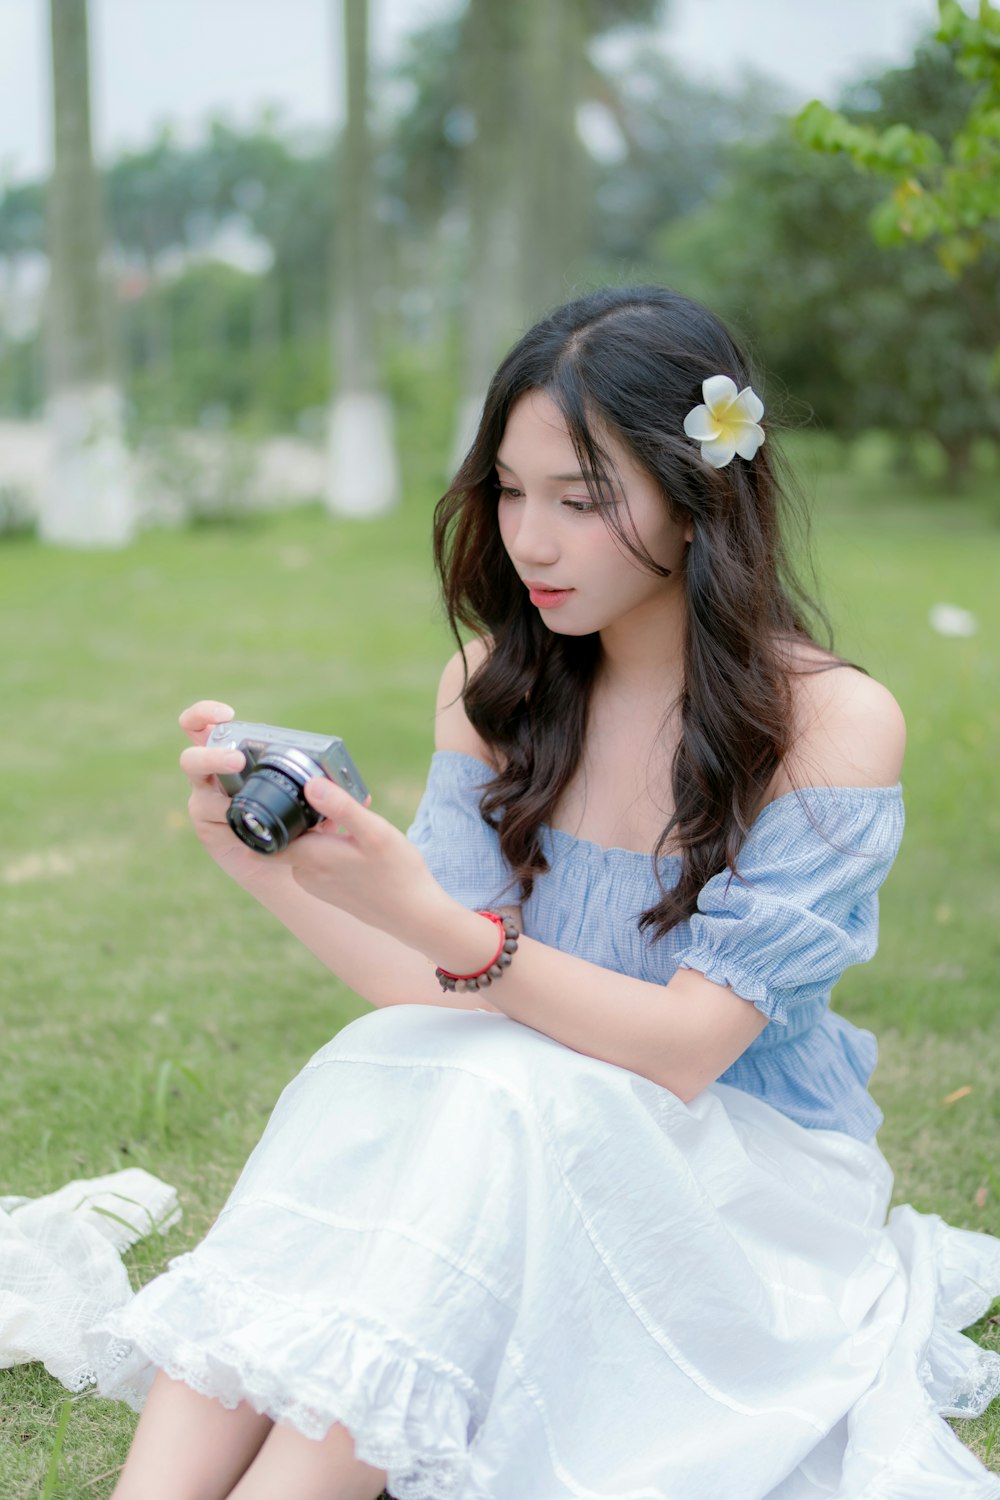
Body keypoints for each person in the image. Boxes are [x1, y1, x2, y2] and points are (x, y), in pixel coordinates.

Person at [88, 285, 1000, 1500]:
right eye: (510, 493)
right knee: (398, 1062)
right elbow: (429, 993)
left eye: (581, 500)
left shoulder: (828, 723)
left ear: (698, 499)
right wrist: (271, 869)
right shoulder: (495, 688)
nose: (531, 540)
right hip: (524, 1127)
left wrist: (434, 919)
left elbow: (683, 1048)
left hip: (746, 1178)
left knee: (496, 1094)